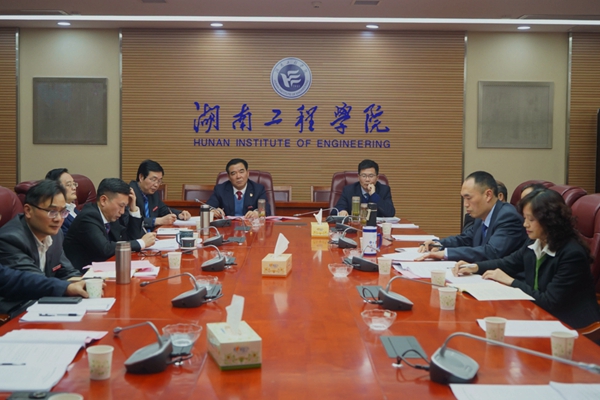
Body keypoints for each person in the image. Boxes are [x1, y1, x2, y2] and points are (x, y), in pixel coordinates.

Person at [453, 189, 600, 330]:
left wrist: (511, 282)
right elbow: (508, 263)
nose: (525, 224)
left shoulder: (572, 254)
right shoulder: (534, 242)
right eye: (525, 218)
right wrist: (475, 267)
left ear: (550, 220)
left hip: (571, 327)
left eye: (531, 219)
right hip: (537, 315)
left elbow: (550, 302)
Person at [417, 171, 527, 263]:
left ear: (488, 195)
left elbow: (491, 252)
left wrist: (446, 254)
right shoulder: (481, 216)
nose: (465, 204)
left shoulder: (508, 216)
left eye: (468, 198)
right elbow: (465, 239)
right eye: (464, 198)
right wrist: (438, 244)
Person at [64, 178, 156, 270]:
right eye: (121, 206)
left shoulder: (110, 215)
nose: (122, 212)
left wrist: (133, 208)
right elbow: (105, 249)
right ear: (103, 200)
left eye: (125, 206)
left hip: (105, 268)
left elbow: (129, 239)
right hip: (82, 274)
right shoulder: (88, 217)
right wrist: (142, 242)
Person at [0, 180, 81, 279]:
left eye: (63, 212)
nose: (59, 219)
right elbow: (36, 282)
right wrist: (70, 286)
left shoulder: (56, 234)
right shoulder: (9, 240)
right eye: (52, 211)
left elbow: (67, 271)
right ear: (28, 210)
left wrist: (84, 283)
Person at [130, 159, 191, 230]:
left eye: (159, 181)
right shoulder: (130, 194)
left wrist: (179, 214)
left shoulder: (153, 193)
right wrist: (158, 221)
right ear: (141, 177)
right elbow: (130, 221)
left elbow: (163, 210)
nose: (156, 185)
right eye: (153, 180)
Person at [45, 168, 79, 235]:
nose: (74, 188)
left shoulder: (75, 210)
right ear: (55, 188)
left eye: (74, 184)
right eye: (69, 184)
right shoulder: (58, 217)